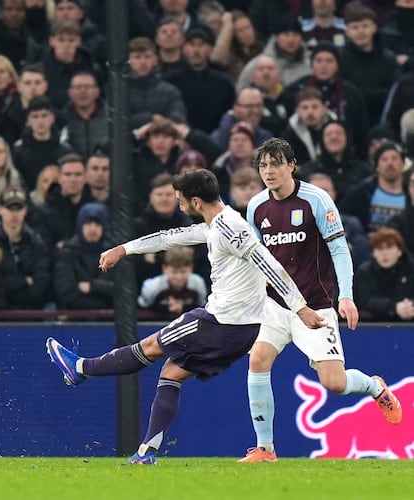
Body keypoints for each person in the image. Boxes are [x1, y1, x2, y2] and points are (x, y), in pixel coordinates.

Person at [46, 168, 324, 465]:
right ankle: (146, 453)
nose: (179, 206)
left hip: (218, 323)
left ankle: (81, 368)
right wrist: (124, 249)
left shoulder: (231, 229)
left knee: (150, 348)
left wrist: (300, 307)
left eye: (181, 200)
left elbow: (268, 263)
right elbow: (170, 238)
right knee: (172, 372)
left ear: (196, 201)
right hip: (242, 330)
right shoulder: (217, 224)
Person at [240, 138, 402, 463]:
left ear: (291, 165)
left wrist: (346, 296)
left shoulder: (316, 199)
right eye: (263, 165)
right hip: (275, 303)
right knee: (257, 360)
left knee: (334, 383)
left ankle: (373, 387)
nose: (269, 171)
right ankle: (265, 449)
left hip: (315, 304)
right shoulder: (256, 206)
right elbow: (256, 259)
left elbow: (340, 249)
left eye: (275, 164)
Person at [354, 226, 414, 321]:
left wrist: (410, 306)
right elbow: (363, 300)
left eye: (389, 248)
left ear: (399, 251)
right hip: (373, 326)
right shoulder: (364, 272)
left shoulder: (411, 269)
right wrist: (394, 308)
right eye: (379, 248)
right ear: (373, 253)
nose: (384, 253)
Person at [138, 246, 208, 319]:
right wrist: (166, 309)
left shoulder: (198, 283)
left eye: (183, 272)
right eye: (174, 272)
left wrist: (184, 308)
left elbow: (202, 308)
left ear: (191, 268)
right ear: (164, 269)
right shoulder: (152, 287)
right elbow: (142, 311)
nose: (179, 277)